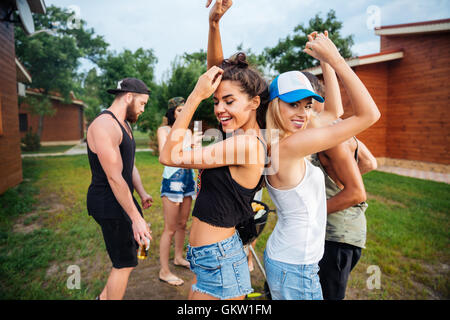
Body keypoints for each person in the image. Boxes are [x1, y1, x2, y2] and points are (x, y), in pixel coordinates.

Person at [159, 50, 269, 299]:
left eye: (229, 102)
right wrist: (214, 23)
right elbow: (217, 67)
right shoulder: (239, 136)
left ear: (254, 103)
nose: (220, 109)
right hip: (211, 257)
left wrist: (197, 95)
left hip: (220, 259)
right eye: (216, 101)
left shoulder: (246, 145)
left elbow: (169, 155)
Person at [304, 73, 378, 300]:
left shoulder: (329, 134)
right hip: (347, 231)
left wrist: (312, 210)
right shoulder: (338, 127)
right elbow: (369, 162)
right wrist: (338, 180)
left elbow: (356, 193)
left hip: (338, 236)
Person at [86, 78, 153, 300]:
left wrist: (141, 193)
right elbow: (114, 177)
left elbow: (128, 165)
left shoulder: (124, 124)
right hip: (107, 203)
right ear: (129, 97)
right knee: (123, 263)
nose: (143, 109)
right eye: (142, 103)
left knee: (135, 250)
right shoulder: (104, 125)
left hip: (122, 198)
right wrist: (135, 218)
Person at [157, 97, 197, 286]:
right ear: (172, 112)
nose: (183, 113)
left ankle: (179, 258)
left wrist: (196, 147)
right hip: (173, 180)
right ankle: (164, 271)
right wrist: (188, 144)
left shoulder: (189, 131)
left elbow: (192, 156)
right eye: (180, 110)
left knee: (182, 224)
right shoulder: (164, 130)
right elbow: (165, 156)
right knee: (170, 228)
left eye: (185, 110)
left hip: (188, 179)